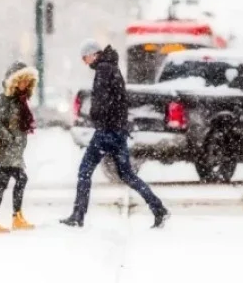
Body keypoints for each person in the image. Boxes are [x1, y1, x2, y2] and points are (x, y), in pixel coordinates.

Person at [60, 39, 169, 228]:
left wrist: (96, 115)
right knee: (127, 175)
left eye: (85, 58)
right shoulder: (112, 68)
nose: (85, 62)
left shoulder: (103, 70)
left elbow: (103, 101)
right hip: (118, 131)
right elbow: (118, 101)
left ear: (94, 54)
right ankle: (158, 208)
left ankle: (78, 215)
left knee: (84, 172)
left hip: (106, 131)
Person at [0, 62, 38, 234]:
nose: (25, 85)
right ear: (14, 81)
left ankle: (9, 217)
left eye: (27, 82)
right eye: (22, 81)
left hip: (15, 150)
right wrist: (10, 138)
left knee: (4, 183)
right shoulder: (3, 99)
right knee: (18, 180)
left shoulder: (20, 100)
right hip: (7, 149)